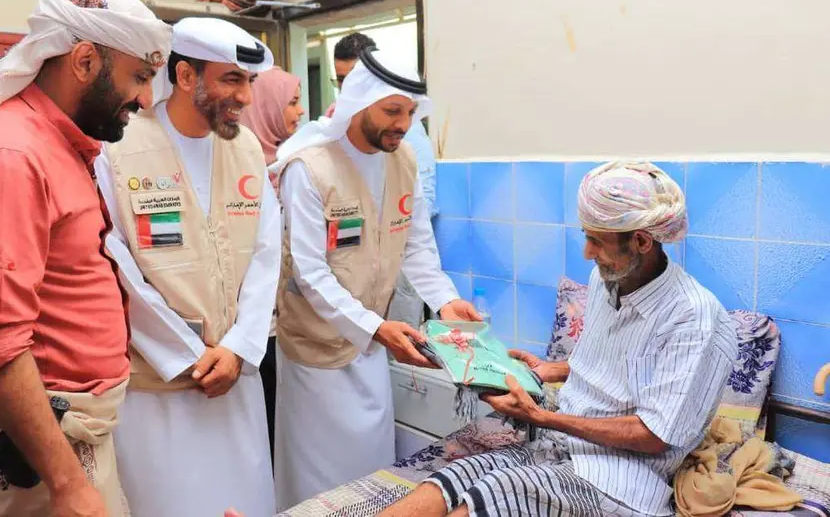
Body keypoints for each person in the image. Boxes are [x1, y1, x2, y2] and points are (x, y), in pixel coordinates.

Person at [381, 161, 739, 517]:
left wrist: (541, 417)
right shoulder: (606, 280)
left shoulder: (694, 319)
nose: (587, 252)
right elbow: (616, 364)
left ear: (642, 241)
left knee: (496, 493)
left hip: (621, 474)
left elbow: (652, 435)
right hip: (563, 442)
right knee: (453, 478)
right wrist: (550, 370)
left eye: (596, 241)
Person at [271, 48, 481, 510]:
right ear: (358, 102)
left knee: (371, 476)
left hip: (369, 351)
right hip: (315, 355)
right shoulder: (309, 168)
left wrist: (446, 301)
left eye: (410, 112)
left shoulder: (402, 161)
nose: (403, 124)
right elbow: (309, 272)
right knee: (319, 485)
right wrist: (375, 327)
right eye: (392, 111)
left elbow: (417, 244)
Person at [0, 0, 171, 517]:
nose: (144, 100)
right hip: (42, 445)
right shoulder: (14, 154)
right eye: (139, 77)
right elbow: (0, 339)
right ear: (85, 60)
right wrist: (68, 484)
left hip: (75, 429)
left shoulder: (62, 142)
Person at [93, 17, 280, 516]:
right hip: (159, 383)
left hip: (235, 379)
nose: (245, 97)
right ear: (186, 76)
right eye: (232, 79)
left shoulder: (246, 149)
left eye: (250, 82)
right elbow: (115, 262)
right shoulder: (119, 147)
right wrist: (186, 353)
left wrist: (239, 348)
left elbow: (267, 254)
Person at [332, 32, 438, 330]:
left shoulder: (404, 136)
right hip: (345, 287)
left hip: (397, 268)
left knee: (396, 358)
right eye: (340, 81)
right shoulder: (326, 140)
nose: (347, 89)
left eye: (353, 78)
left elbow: (417, 215)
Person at [239, 65, 304, 464]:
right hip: (254, 330)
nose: (299, 112)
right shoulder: (241, 167)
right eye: (291, 102)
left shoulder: (296, 164)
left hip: (294, 327)